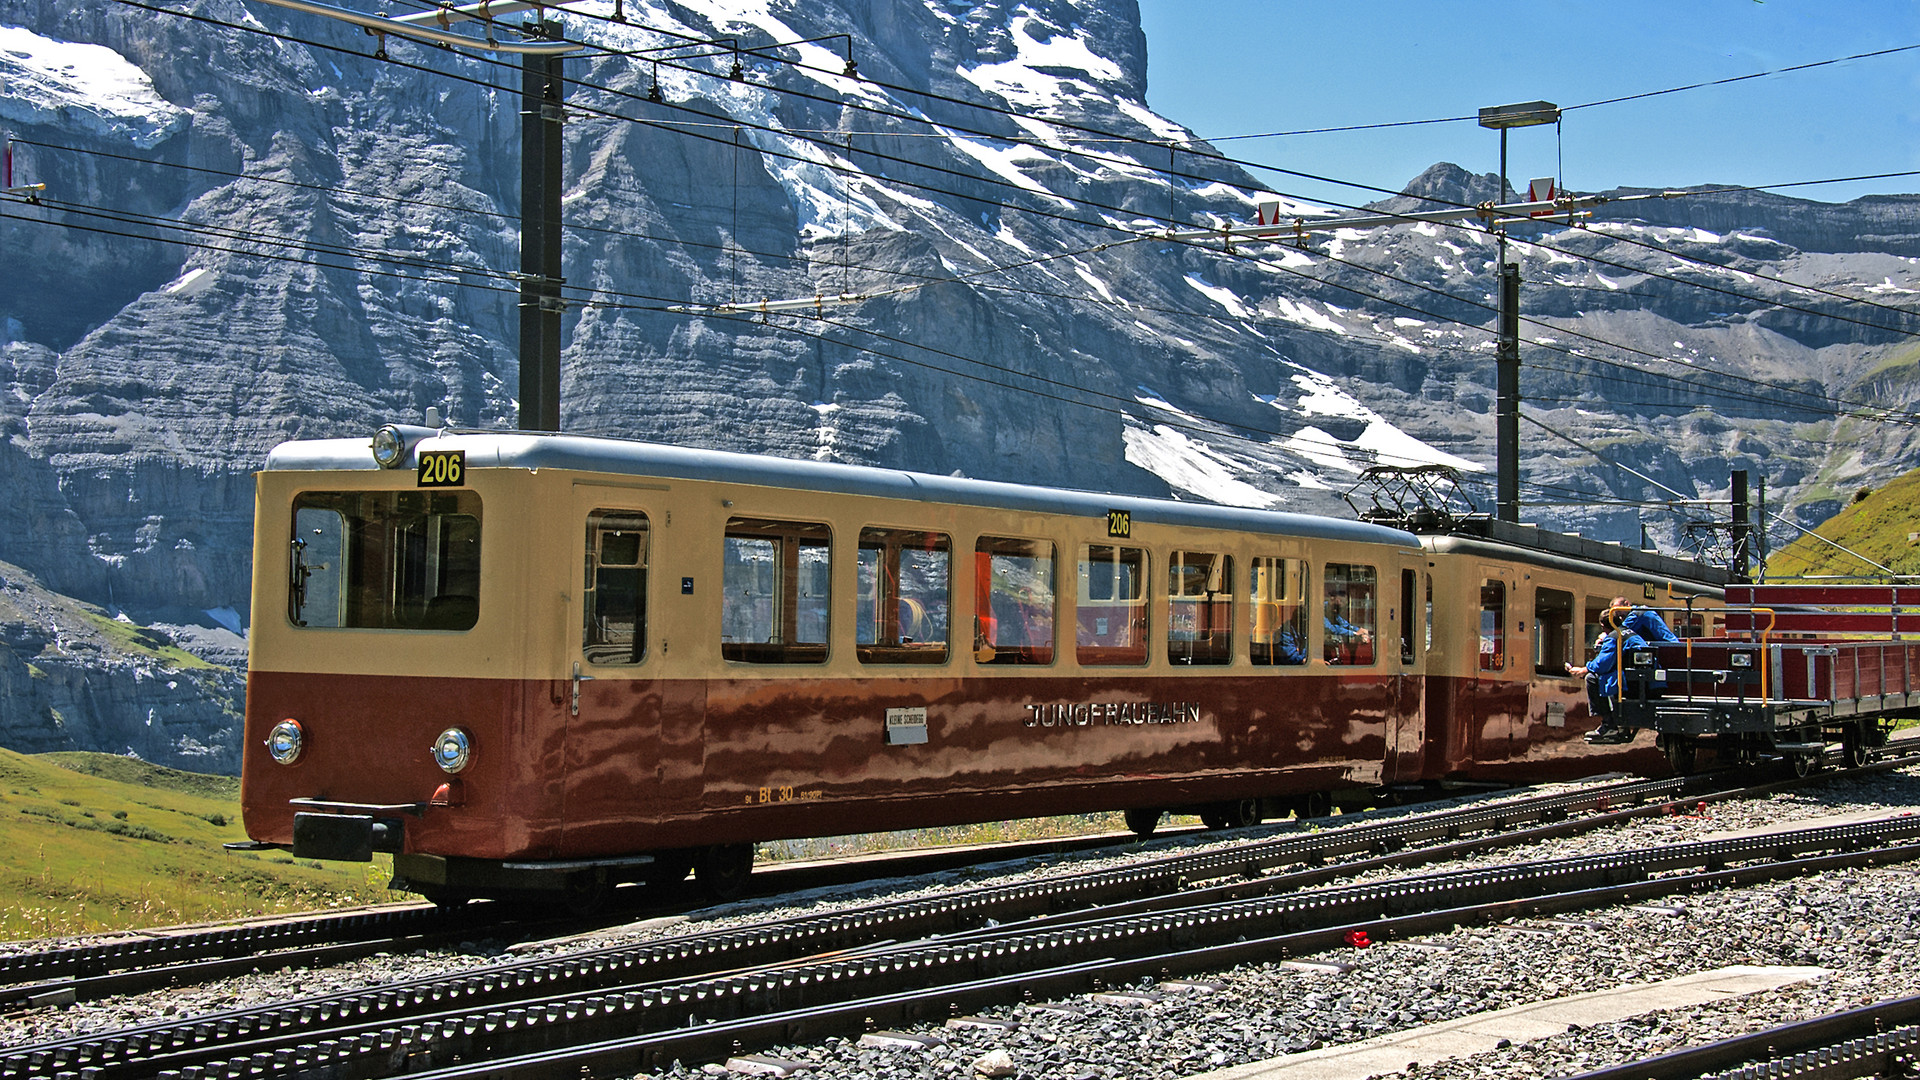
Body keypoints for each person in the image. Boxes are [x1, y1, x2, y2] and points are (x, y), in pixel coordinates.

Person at [1567, 608, 1649, 744]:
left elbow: (1603, 664)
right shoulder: (1630, 634)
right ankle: (1619, 725)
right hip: (1643, 681)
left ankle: (1609, 724)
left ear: (1603, 626)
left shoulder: (1614, 637)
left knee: (1592, 679)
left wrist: (1584, 669)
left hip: (1631, 685)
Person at [1612, 595, 1680, 643]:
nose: (1619, 615)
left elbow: (1621, 631)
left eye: (1619, 610)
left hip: (1667, 646)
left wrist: (1607, 636)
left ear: (1626, 604)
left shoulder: (1639, 613)